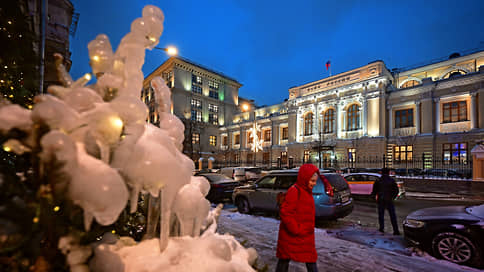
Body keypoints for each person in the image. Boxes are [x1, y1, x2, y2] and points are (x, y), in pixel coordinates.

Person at [276, 164, 319, 272]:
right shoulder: (294, 191)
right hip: (291, 236)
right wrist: (296, 229)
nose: (314, 184)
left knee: (310, 260)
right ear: (305, 178)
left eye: (315, 181)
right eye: (312, 181)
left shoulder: (307, 191)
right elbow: (286, 213)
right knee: (284, 260)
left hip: (306, 236)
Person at [371, 168, 400, 235]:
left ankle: (381, 228)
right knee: (392, 216)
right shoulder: (392, 180)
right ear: (388, 172)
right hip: (389, 200)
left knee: (381, 215)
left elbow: (374, 191)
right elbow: (396, 191)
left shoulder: (378, 180)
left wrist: (375, 198)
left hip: (381, 200)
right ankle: (396, 230)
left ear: (381, 172)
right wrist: (392, 197)